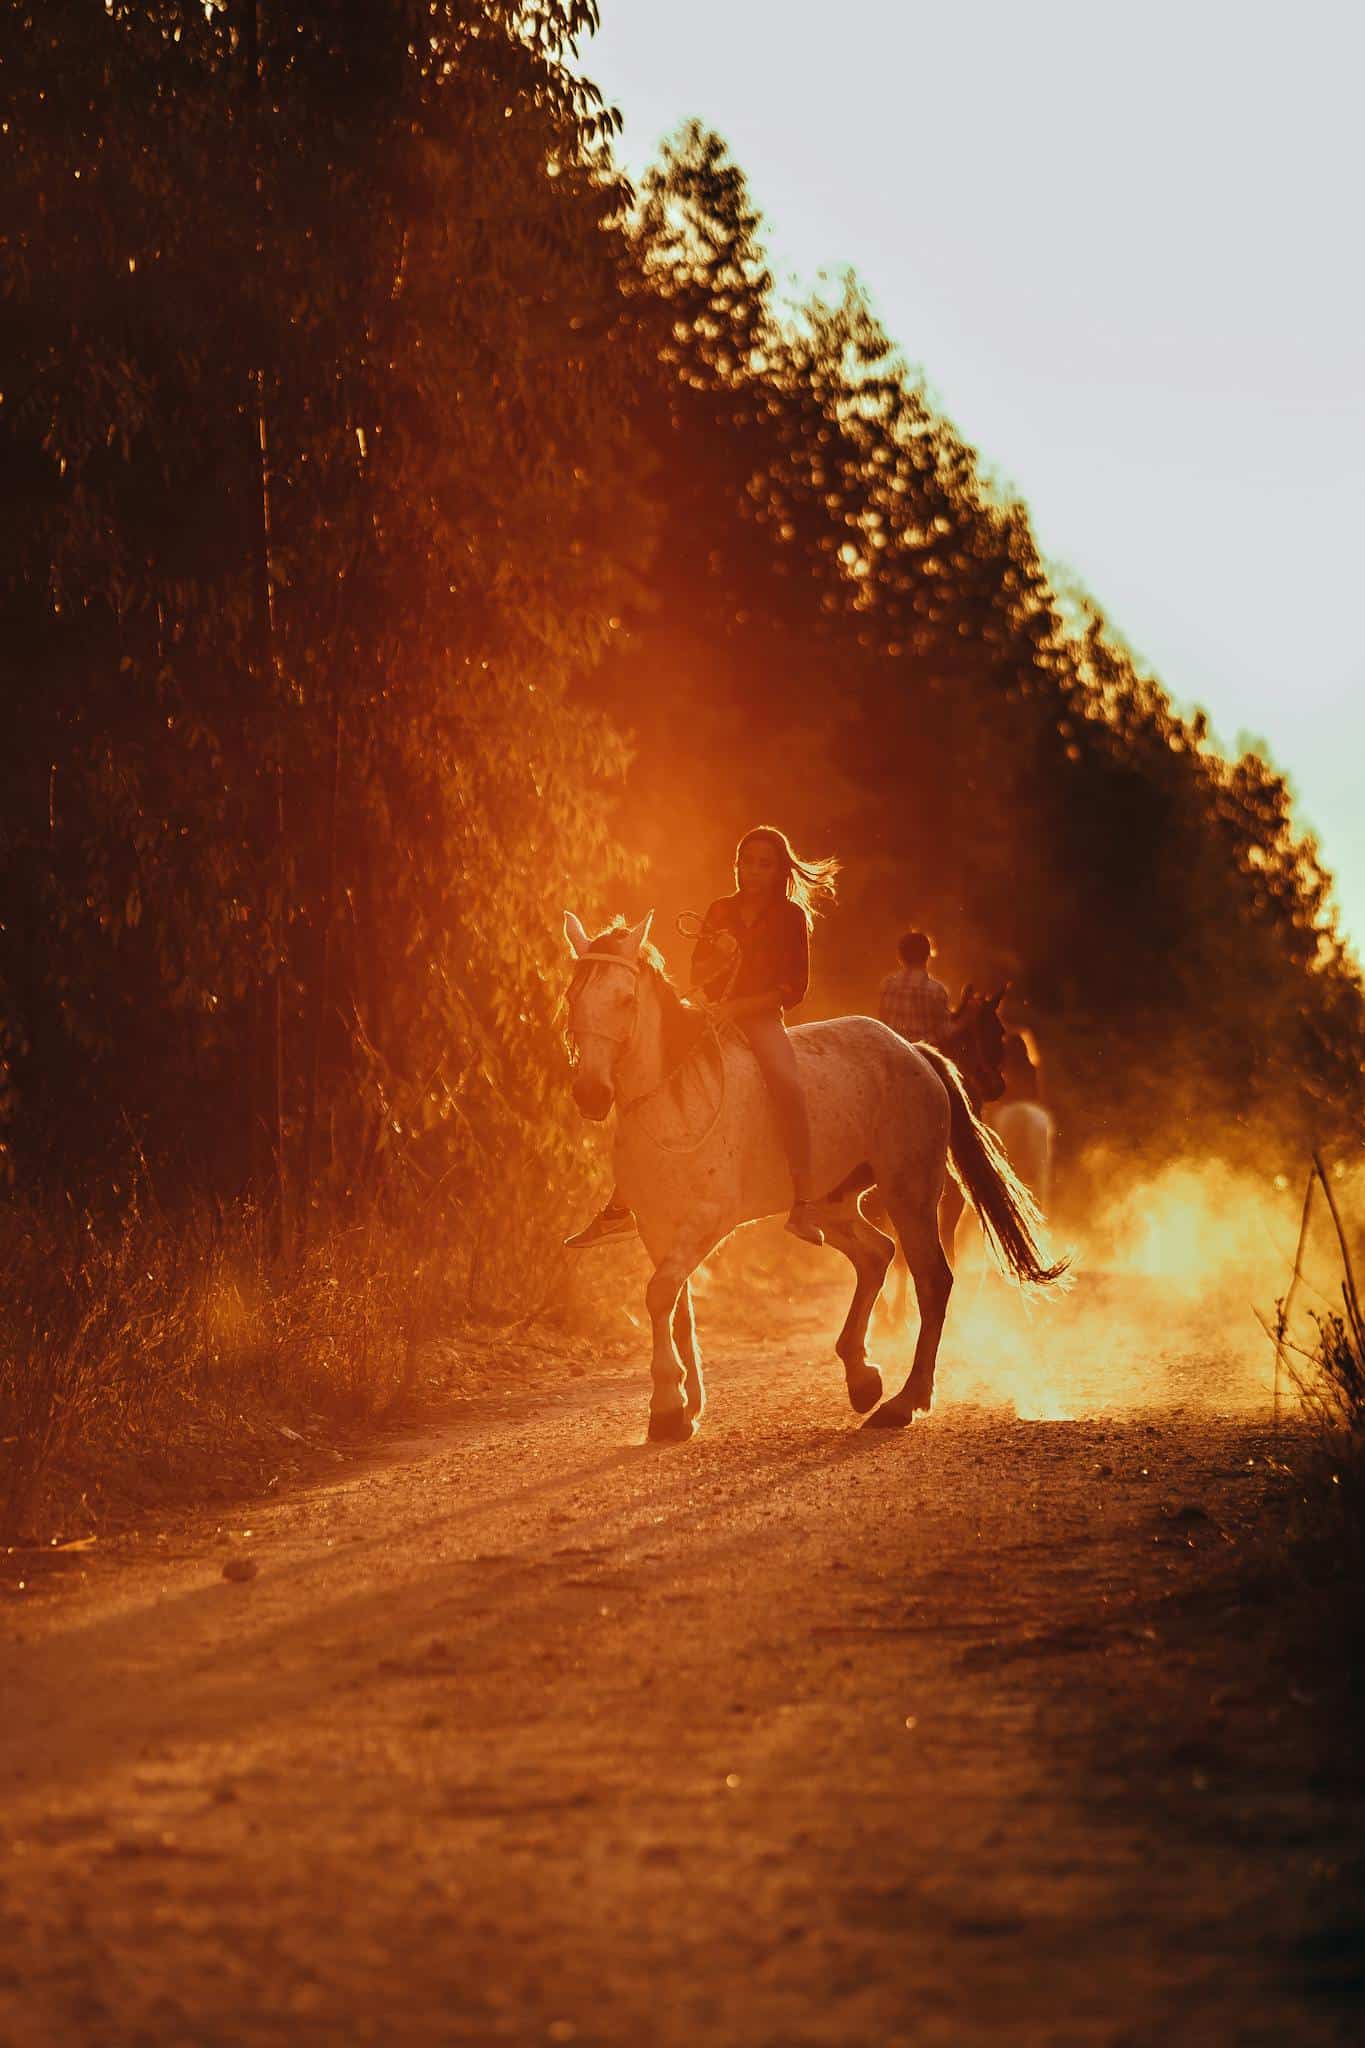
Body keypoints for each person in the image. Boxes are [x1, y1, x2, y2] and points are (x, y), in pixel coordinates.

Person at [563, 824, 839, 1249]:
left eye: (765, 865)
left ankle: (804, 1199)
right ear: (737, 867)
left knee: (786, 1083)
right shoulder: (720, 911)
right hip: (712, 1014)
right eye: (747, 863)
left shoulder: (791, 917)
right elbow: (698, 973)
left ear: (780, 870)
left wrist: (739, 1007)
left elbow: (794, 988)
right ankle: (622, 1206)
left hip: (761, 1019)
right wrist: (719, 959)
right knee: (650, 1084)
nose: (754, 871)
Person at [988, 1031, 1056, 1208]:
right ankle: (1040, 1219)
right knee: (1041, 1173)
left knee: (1002, 1170)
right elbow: (1042, 1097)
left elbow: (995, 1098)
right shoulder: (1033, 1068)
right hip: (1036, 1113)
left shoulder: (1000, 1068)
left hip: (1007, 1113)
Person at [878, 929, 952, 1048]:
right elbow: (945, 1033)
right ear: (928, 956)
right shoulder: (936, 990)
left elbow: (883, 1026)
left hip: (893, 1055)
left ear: (900, 957)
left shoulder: (888, 985)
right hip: (924, 1060)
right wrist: (967, 1017)